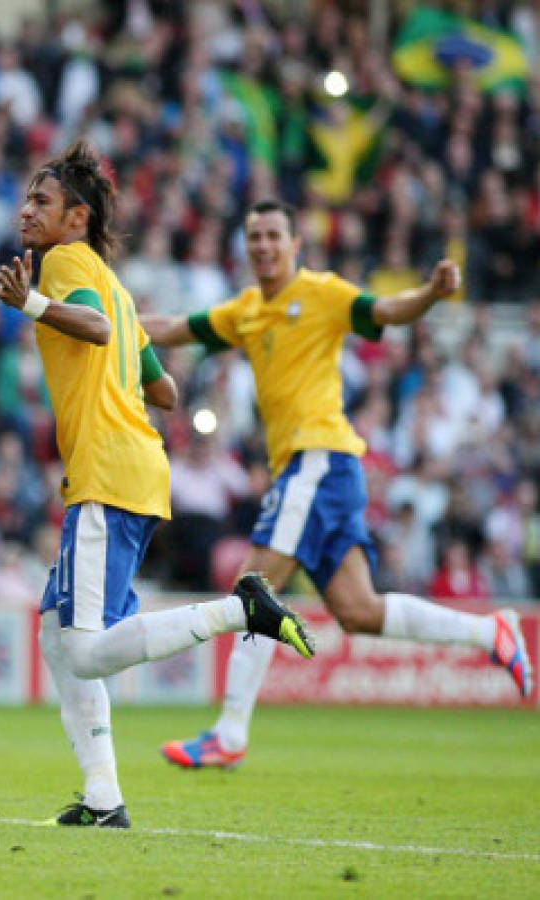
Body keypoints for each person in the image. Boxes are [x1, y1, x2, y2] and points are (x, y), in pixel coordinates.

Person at [140, 200, 534, 770]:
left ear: (296, 242)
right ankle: (490, 631)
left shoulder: (321, 293)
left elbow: (389, 310)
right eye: (254, 237)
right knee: (357, 610)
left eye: (274, 235)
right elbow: (176, 328)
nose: (264, 246)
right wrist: (108, 325)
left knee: (254, 586)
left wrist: (431, 292)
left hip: (318, 460)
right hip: (319, 472)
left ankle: (229, 732)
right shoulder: (246, 310)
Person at [0, 144, 315, 829]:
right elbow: (163, 389)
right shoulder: (114, 281)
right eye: (26, 198)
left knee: (82, 648)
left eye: (41, 202)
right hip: (130, 463)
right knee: (57, 636)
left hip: (108, 471)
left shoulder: (66, 264)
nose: (26, 210)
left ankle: (238, 612)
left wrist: (32, 304)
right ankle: (103, 799)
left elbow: (96, 328)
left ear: (77, 217)